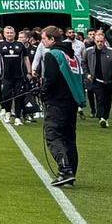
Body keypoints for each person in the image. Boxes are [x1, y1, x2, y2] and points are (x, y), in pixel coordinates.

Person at [32, 26, 82, 188]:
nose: (42, 42)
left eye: (44, 39)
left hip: (57, 102)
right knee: (69, 138)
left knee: (52, 134)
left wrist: (42, 92)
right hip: (72, 102)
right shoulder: (71, 55)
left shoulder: (52, 54)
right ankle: (71, 172)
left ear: (52, 39)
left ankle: (65, 170)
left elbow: (50, 79)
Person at [0, 26, 30, 124]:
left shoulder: (20, 45)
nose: (9, 34)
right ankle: (8, 113)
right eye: (7, 33)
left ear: (14, 34)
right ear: (4, 34)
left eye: (11, 32)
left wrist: (29, 72)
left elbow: (26, 58)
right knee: (6, 95)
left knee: (18, 96)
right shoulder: (0, 45)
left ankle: (17, 117)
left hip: (19, 76)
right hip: (6, 76)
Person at [82, 30, 112, 128]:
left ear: (104, 41)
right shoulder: (89, 51)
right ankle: (101, 117)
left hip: (108, 80)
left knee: (108, 99)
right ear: (94, 41)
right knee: (100, 98)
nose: (100, 43)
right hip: (96, 80)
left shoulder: (111, 51)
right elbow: (83, 63)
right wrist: (87, 74)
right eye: (97, 41)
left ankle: (105, 118)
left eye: (101, 41)